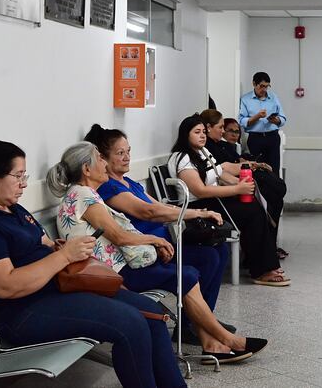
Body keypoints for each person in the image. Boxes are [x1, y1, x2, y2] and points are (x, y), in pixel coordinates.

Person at [0, 140, 186, 388]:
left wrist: (58, 248)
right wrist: (64, 256)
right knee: (130, 323)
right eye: (18, 176)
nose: (24, 183)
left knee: (153, 314)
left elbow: (42, 242)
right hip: (24, 310)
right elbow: (6, 285)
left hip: (60, 289)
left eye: (25, 175)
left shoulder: (14, 210)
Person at [47, 142, 267, 364]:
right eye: (99, 158)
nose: (104, 163)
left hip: (117, 267)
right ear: (86, 169)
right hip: (111, 274)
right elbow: (119, 236)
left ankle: (212, 343)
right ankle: (227, 340)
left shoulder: (83, 194)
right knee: (186, 275)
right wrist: (154, 239)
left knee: (188, 272)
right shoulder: (84, 196)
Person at [83, 124, 230, 324]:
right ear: (104, 158)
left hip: (164, 242)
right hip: (150, 250)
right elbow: (148, 212)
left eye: (128, 151)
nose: (127, 157)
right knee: (209, 257)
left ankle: (202, 319)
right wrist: (193, 213)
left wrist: (199, 213)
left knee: (220, 250)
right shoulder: (109, 187)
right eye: (120, 153)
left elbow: (159, 206)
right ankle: (194, 323)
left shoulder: (128, 182)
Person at [169, 114, 290, 287]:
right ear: (185, 134)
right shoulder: (182, 158)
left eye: (204, 131)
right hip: (198, 205)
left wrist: (239, 181)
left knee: (254, 207)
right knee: (251, 212)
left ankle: (263, 265)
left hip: (213, 200)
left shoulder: (202, 152)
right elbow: (200, 191)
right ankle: (263, 269)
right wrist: (236, 189)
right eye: (197, 132)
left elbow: (219, 172)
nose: (203, 135)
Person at [200, 110, 288, 259]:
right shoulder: (202, 151)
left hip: (234, 184)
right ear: (209, 127)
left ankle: (268, 250)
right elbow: (216, 176)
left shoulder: (221, 146)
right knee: (263, 203)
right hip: (221, 195)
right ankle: (262, 257)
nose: (223, 132)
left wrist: (251, 165)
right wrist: (239, 183)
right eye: (221, 128)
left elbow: (228, 165)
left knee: (274, 198)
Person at [238, 72, 286, 175]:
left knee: (274, 169)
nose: (264, 89)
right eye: (262, 86)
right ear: (254, 84)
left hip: (272, 137)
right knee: (257, 169)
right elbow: (241, 121)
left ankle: (274, 191)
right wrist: (257, 117)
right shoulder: (245, 99)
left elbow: (283, 118)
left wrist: (276, 120)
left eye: (267, 86)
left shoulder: (273, 97)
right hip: (255, 139)